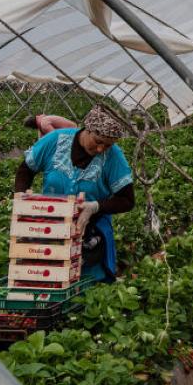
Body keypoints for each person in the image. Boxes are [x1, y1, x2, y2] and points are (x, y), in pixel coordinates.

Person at [14, 105, 135, 282]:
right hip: (49, 229)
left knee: (87, 288)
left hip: (89, 234)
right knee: (47, 279)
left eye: (108, 145)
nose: (101, 149)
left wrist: (95, 207)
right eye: (98, 141)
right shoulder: (55, 140)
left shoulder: (114, 157)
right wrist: (22, 197)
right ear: (88, 128)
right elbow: (26, 170)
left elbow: (127, 200)